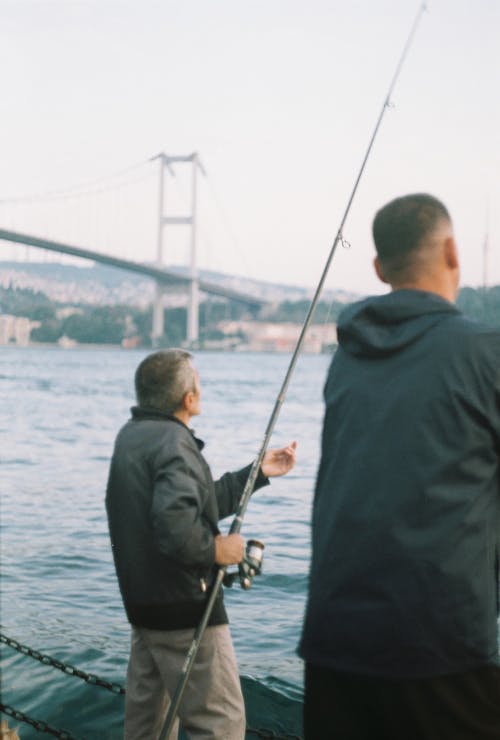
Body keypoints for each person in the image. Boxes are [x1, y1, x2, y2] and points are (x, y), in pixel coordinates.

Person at [299, 193, 500, 739]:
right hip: (438, 646)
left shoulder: (347, 358)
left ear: (379, 268)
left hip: (333, 641)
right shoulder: (485, 353)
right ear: (454, 252)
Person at [106, 348, 297, 740]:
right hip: (184, 609)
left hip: (144, 608)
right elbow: (175, 528)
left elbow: (195, 501)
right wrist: (217, 551)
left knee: (148, 728)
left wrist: (258, 471)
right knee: (221, 724)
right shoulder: (175, 444)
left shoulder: (133, 437)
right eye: (197, 381)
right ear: (187, 398)